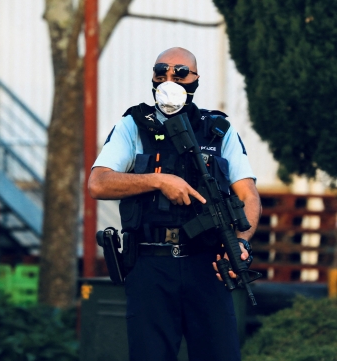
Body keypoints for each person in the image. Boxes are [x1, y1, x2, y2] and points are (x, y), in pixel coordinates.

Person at [88, 47, 261, 361]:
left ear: (195, 80)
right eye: (161, 72)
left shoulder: (219, 129)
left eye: (180, 73)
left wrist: (240, 242)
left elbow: (249, 196)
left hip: (207, 264)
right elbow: (98, 183)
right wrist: (158, 180)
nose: (170, 78)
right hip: (151, 264)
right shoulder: (134, 124)